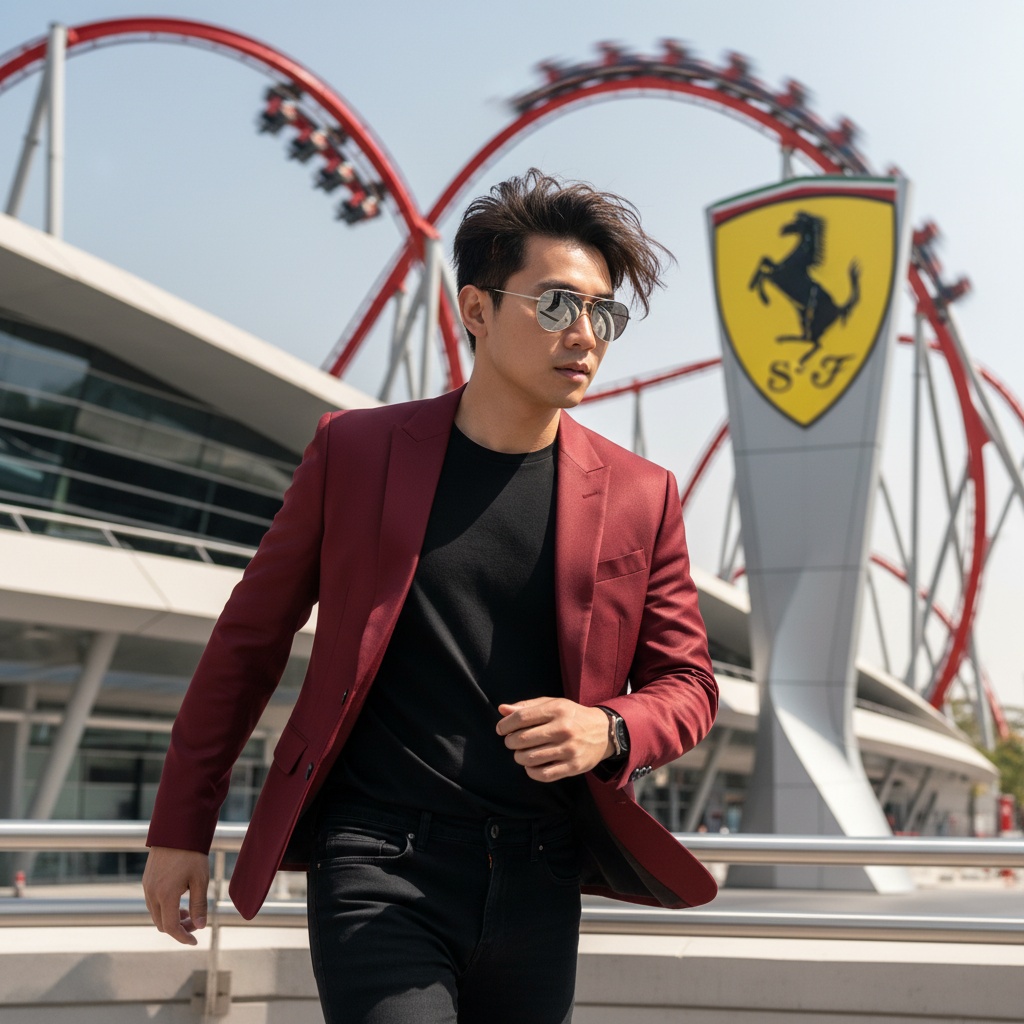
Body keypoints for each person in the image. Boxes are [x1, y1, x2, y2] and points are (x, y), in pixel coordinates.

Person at [143, 169, 719, 1023]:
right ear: (476, 310)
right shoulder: (356, 451)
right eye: (558, 305)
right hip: (379, 862)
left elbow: (692, 686)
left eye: (604, 314)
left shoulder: (644, 493)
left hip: (540, 872)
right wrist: (180, 827)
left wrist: (610, 727)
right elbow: (250, 639)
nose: (585, 336)